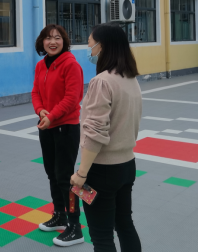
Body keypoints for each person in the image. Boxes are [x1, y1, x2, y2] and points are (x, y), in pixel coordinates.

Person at [70, 23, 142, 252]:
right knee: (125, 224)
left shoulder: (102, 81)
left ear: (102, 46)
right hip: (127, 165)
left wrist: (82, 173)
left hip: (101, 171)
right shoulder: (130, 78)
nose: (89, 50)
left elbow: (95, 132)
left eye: (90, 44)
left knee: (101, 236)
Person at [32, 24, 85, 247]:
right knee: (52, 174)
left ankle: (75, 226)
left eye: (57, 38)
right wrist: (40, 111)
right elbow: (35, 92)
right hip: (47, 126)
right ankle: (60, 215)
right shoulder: (40, 65)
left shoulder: (71, 65)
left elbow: (73, 98)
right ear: (42, 42)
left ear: (64, 41)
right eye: (48, 38)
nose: (52, 42)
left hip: (66, 127)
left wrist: (51, 116)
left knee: (66, 178)